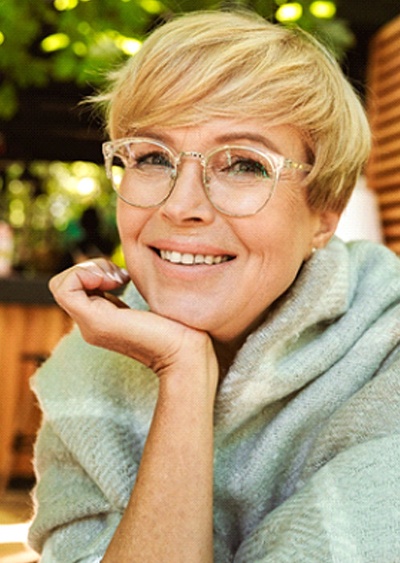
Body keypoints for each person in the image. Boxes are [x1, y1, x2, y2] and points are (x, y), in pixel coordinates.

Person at [28, 10, 400, 562]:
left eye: (244, 165)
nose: (180, 206)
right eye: (153, 156)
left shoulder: (386, 356)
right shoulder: (86, 376)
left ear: (324, 214)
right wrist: (183, 370)